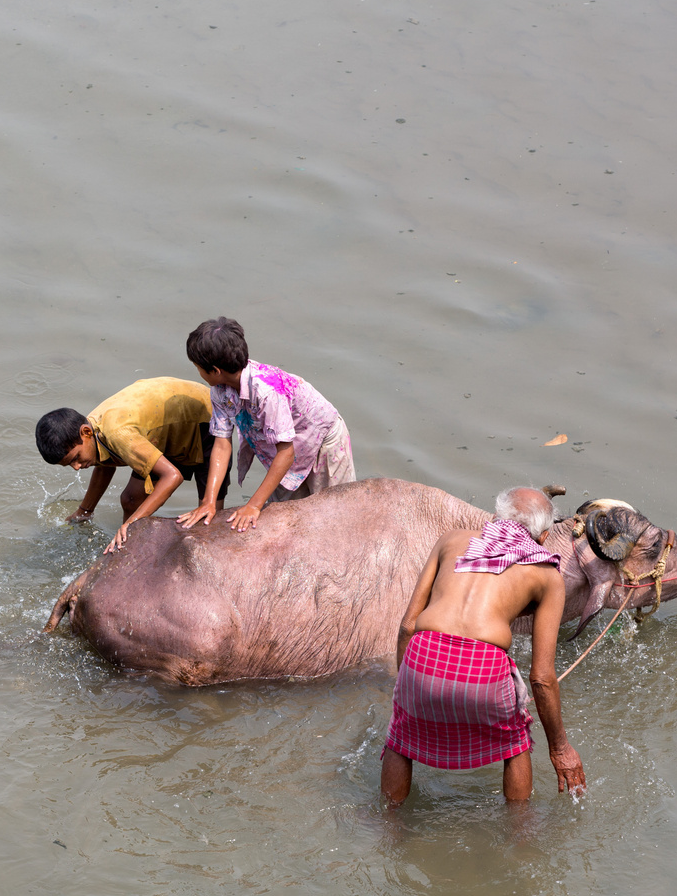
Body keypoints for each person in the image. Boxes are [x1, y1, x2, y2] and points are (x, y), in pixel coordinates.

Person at [381, 486, 586, 805]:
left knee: (401, 734)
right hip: (483, 666)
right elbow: (542, 678)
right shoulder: (546, 575)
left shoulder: (451, 540)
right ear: (544, 537)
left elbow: (409, 624)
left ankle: (388, 825)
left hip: (424, 654)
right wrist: (560, 748)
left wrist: (405, 691)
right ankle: (519, 836)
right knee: (514, 741)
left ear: (495, 517)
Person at [177, 317, 355, 533]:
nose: (199, 373)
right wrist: (209, 501)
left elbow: (286, 454)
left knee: (334, 513)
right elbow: (222, 444)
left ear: (215, 370)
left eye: (198, 368)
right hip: (284, 442)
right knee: (285, 518)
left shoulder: (266, 391)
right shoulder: (220, 391)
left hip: (321, 439)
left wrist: (253, 505)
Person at [36, 378, 230, 554]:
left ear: (86, 432)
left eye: (75, 458)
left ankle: (129, 538)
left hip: (203, 418)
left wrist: (131, 523)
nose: (77, 467)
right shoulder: (90, 431)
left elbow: (173, 476)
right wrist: (85, 511)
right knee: (131, 500)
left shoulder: (118, 434)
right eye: (69, 465)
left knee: (209, 517)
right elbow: (105, 464)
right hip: (162, 429)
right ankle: (127, 550)